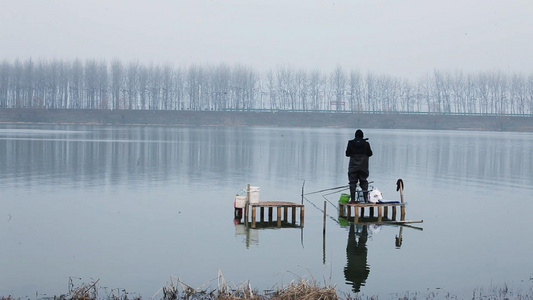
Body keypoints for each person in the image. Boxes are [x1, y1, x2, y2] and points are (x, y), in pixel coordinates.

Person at [345, 129, 373, 203]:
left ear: (355, 136)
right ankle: (366, 199)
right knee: (363, 181)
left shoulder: (350, 143)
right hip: (363, 166)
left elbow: (347, 154)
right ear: (362, 136)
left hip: (353, 166)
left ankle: (353, 200)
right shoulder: (366, 144)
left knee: (352, 182)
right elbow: (370, 154)